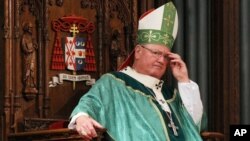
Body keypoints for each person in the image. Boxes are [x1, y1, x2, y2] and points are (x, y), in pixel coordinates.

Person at [68, 2, 206, 141]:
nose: (161, 60)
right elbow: (90, 103)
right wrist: (82, 117)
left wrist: (184, 81)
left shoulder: (169, 94)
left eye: (166, 56)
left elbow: (194, 124)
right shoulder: (114, 83)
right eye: (156, 53)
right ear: (138, 52)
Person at [21, 22, 38, 94]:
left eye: (31, 28)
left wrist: (35, 45)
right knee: (27, 70)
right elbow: (23, 47)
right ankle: (27, 84)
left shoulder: (32, 37)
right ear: (27, 28)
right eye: (30, 28)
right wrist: (29, 50)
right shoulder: (24, 37)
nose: (31, 29)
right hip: (27, 56)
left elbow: (36, 46)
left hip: (33, 56)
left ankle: (32, 84)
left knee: (32, 70)